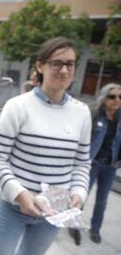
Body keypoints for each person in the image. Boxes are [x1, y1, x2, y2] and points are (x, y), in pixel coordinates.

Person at [0, 37, 92, 255]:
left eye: (70, 64)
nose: (64, 70)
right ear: (40, 65)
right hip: (13, 208)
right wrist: (20, 194)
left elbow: (82, 162)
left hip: (56, 211)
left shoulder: (82, 112)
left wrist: (79, 194)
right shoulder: (17, 107)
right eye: (56, 63)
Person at [69, 83, 121, 245]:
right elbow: (81, 138)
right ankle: (74, 225)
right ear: (104, 99)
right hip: (91, 164)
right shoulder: (94, 115)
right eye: (112, 97)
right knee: (81, 196)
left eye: (120, 97)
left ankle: (95, 229)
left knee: (102, 200)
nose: (117, 100)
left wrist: (119, 162)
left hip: (110, 166)